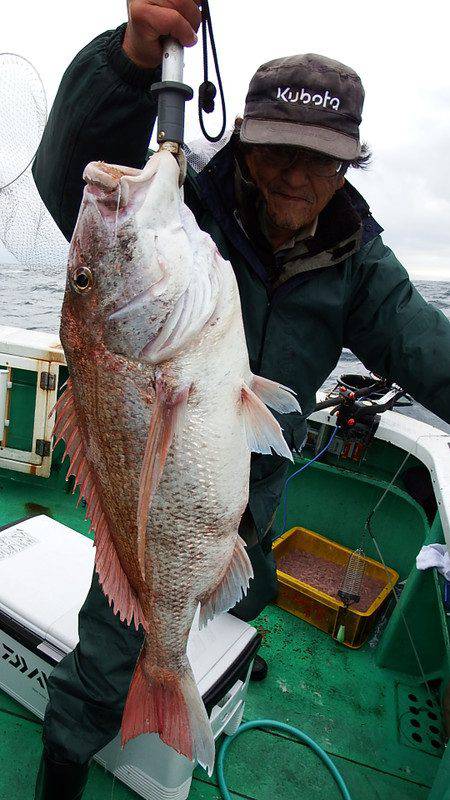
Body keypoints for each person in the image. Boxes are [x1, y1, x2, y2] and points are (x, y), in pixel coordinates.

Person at [32, 2, 450, 797]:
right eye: (275, 152)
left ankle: (200, 684)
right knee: (110, 653)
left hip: (249, 506)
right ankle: (63, 764)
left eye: (319, 158)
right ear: (245, 146)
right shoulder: (189, 210)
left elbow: (430, 350)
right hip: (157, 509)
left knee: (236, 611)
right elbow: (69, 177)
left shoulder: (357, 262)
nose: (295, 174)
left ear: (351, 164)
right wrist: (129, 60)